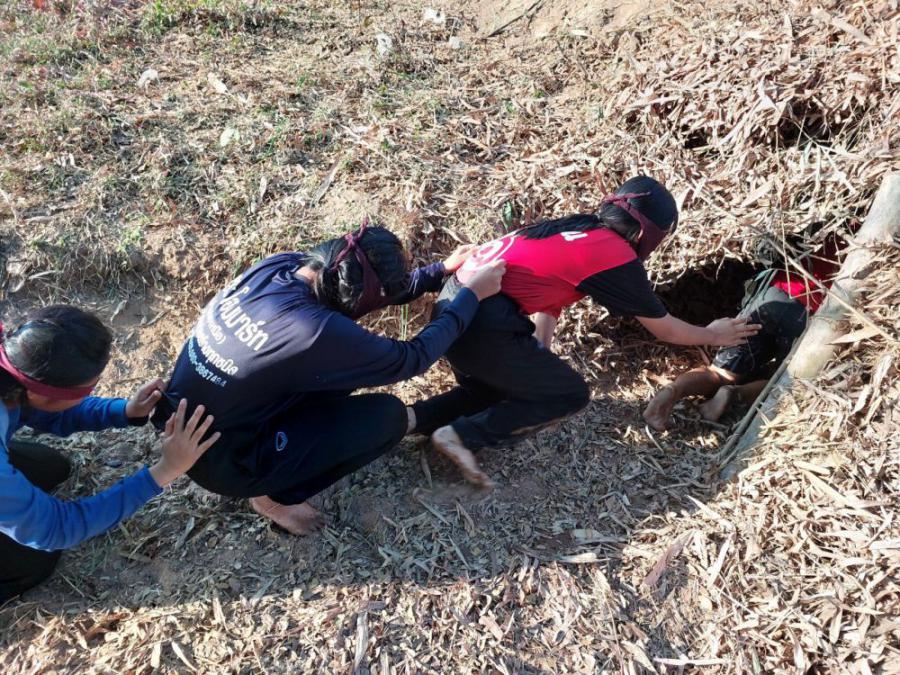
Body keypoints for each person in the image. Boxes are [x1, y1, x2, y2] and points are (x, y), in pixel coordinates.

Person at [152, 220, 505, 535]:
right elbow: (413, 358)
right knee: (387, 417)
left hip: (188, 427)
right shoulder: (312, 331)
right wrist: (470, 295)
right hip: (220, 461)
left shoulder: (284, 266)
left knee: (350, 362)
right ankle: (273, 498)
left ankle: (274, 454)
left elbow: (361, 290)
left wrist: (439, 271)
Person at [409, 176, 761, 487]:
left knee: (493, 392)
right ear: (646, 235)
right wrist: (713, 334)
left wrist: (538, 359)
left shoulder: (577, 230)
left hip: (453, 309)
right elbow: (665, 329)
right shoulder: (615, 253)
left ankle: (412, 421)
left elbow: (548, 300)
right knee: (568, 394)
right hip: (481, 319)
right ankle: (461, 436)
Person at [0, 306, 219, 602]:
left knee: (52, 468)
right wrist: (164, 471)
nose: (91, 394)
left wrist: (125, 411)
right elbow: (57, 528)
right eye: (87, 390)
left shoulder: (12, 360)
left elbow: (45, 411)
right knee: (36, 562)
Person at [642, 230, 845, 431]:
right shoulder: (856, 236)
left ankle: (674, 390)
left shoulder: (824, 227)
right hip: (811, 313)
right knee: (784, 380)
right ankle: (733, 394)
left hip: (773, 296)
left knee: (720, 372)